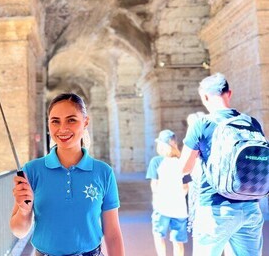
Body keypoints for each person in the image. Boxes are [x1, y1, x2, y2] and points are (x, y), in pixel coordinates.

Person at [10, 93, 125, 256]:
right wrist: (24, 210)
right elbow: (19, 232)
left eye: (71, 120)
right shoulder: (32, 170)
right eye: (55, 121)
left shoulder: (103, 172)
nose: (62, 128)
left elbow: (113, 234)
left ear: (85, 122)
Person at [180, 73, 265, 256]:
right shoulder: (252, 123)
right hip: (250, 207)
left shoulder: (202, 124)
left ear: (204, 97)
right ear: (230, 93)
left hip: (214, 208)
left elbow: (184, 167)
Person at [146, 129, 189, 256]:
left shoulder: (156, 161)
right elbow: (186, 187)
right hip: (179, 208)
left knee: (159, 236)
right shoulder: (182, 162)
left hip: (162, 206)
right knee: (178, 241)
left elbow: (154, 185)